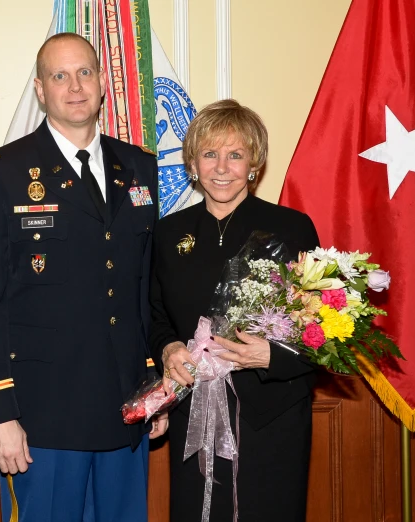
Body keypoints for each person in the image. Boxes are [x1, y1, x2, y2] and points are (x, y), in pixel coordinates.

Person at [0, 33, 164, 522]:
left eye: (85, 73)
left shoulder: (139, 168)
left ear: (102, 84)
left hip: (126, 412)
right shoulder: (0, 173)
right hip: (41, 422)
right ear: (40, 88)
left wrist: (154, 387)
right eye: (60, 75)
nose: (75, 86)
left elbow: (143, 293)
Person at [150, 99, 320, 521]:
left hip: (271, 413)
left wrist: (272, 356)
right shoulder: (168, 233)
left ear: (254, 164)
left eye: (235, 154)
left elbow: (322, 323)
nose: (221, 167)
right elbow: (153, 315)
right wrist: (169, 348)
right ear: (193, 163)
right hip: (194, 413)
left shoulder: (292, 227)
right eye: (209, 154)